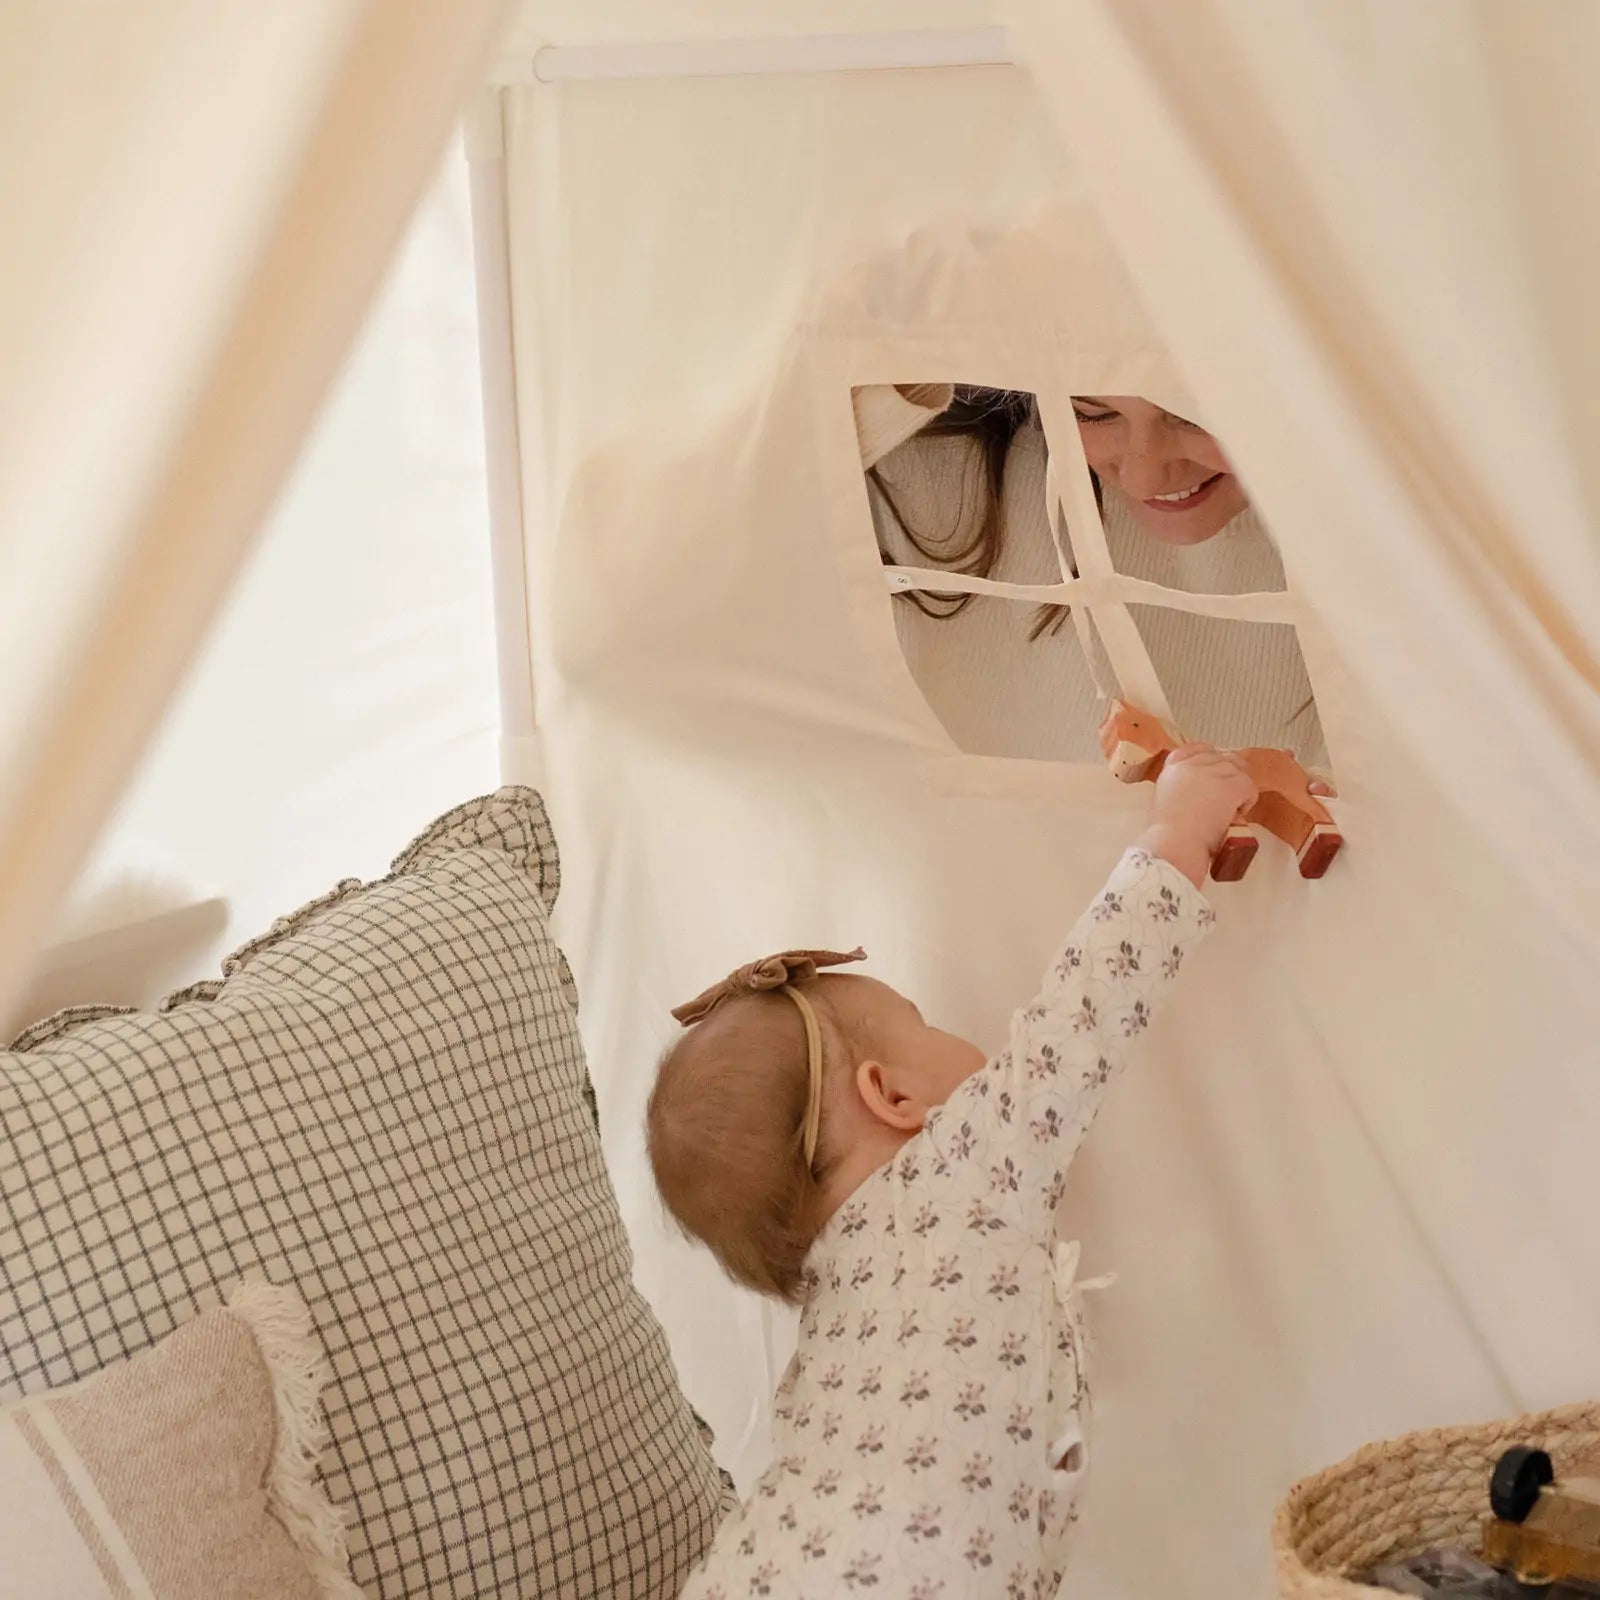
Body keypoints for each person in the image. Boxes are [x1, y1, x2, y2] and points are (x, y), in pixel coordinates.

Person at [649, 743, 1255, 1598]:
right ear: (890, 1094)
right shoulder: (957, 1174)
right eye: (920, 1020)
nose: (948, 1032)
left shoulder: (831, 1338)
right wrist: (1181, 829)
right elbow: (1080, 1018)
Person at [854, 384, 1325, 770]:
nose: (1144, 477)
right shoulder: (929, 474)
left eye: (1194, 413)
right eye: (1092, 413)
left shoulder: (1354, 533)